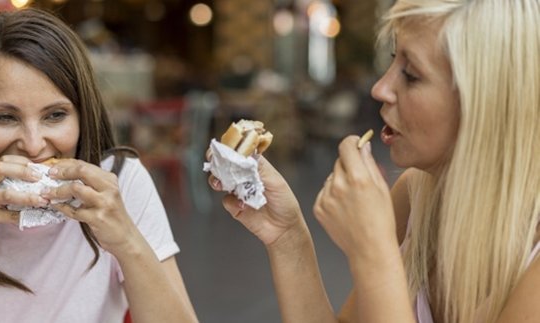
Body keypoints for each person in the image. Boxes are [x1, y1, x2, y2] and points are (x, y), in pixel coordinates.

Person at [209, 0, 540, 322]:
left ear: (487, 102)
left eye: (410, 75)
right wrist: (286, 236)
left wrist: (373, 252)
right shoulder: (415, 196)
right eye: (393, 60)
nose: (380, 88)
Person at [0, 8, 197, 323]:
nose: (34, 144)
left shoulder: (119, 182)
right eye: (5, 117)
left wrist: (126, 241)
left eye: (55, 115)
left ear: (82, 116)